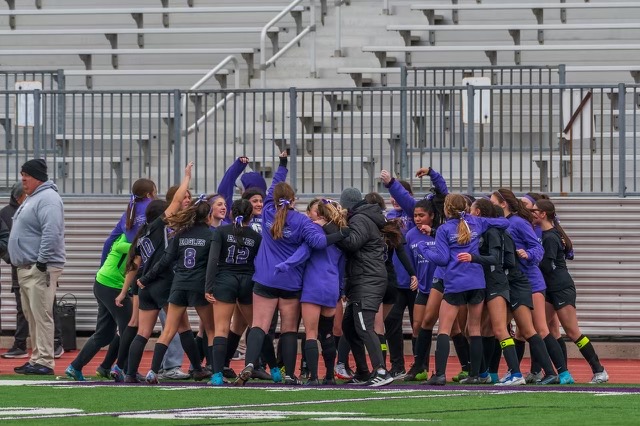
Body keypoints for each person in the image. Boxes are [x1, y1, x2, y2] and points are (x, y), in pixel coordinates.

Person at [234, 179, 347, 386]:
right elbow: (319, 242)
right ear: (293, 200)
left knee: (259, 325)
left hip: (266, 278)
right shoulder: (302, 222)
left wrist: (283, 164)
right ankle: (289, 373)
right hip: (291, 282)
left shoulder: (267, 212)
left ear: (273, 200)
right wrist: (341, 234)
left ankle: (250, 364)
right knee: (289, 330)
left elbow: (272, 188)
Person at [419, 194, 509, 386]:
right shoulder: (476, 222)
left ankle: (440, 374)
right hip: (477, 281)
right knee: (474, 328)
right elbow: (503, 223)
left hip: (455, 283)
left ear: (447, 209)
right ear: (466, 208)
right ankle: (475, 375)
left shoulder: (444, 229)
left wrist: (423, 249)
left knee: (444, 328)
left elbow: (442, 259)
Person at [140, 193, 219, 384]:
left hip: (179, 285)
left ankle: (152, 371)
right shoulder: (212, 235)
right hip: (199, 286)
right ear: (208, 216)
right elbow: (213, 264)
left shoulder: (181, 234)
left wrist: (146, 278)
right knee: (211, 329)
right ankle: (216, 373)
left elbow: (165, 260)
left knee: (168, 330)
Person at [534, 199, 608, 383]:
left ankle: (599, 370)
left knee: (573, 332)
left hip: (560, 288)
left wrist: (528, 259)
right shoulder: (546, 234)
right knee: (542, 328)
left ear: (543, 214)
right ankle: (561, 371)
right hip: (550, 289)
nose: (532, 213)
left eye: (534, 210)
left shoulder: (550, 237)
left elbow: (546, 265)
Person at [9, 159, 66, 375]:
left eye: (27, 175)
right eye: (22, 174)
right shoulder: (35, 197)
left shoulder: (48, 199)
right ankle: (37, 358)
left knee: (41, 314)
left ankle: (45, 360)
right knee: (32, 314)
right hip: (27, 266)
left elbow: (52, 231)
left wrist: (42, 261)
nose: (22, 178)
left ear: (37, 177)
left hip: (38, 266)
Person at [334, 187, 393, 387]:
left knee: (364, 326)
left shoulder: (360, 219)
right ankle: (363, 371)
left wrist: (332, 230)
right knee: (349, 327)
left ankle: (381, 370)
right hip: (364, 278)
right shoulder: (365, 217)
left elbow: (352, 243)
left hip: (366, 279)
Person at [205, 199, 262, 386]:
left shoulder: (221, 231)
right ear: (250, 215)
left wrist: (208, 286)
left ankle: (217, 375)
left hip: (224, 280)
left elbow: (213, 260)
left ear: (231, 212)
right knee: (256, 327)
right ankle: (273, 371)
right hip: (247, 281)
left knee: (221, 328)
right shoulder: (255, 236)